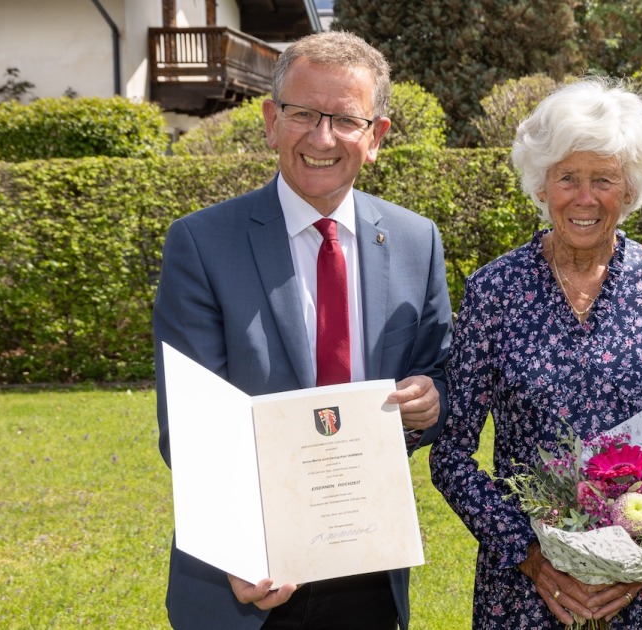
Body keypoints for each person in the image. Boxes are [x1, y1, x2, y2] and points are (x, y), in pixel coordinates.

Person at [153, 31, 452, 630]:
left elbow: (435, 370)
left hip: (369, 575)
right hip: (247, 583)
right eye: (303, 114)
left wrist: (430, 400)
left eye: (345, 120)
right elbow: (192, 428)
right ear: (271, 122)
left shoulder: (416, 242)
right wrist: (240, 548)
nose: (322, 138)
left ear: (376, 137)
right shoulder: (202, 244)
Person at [428, 78, 642, 629]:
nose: (584, 198)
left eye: (604, 179)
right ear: (541, 185)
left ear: (629, 189)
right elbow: (451, 455)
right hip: (529, 592)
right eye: (567, 177)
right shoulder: (494, 291)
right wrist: (532, 559)